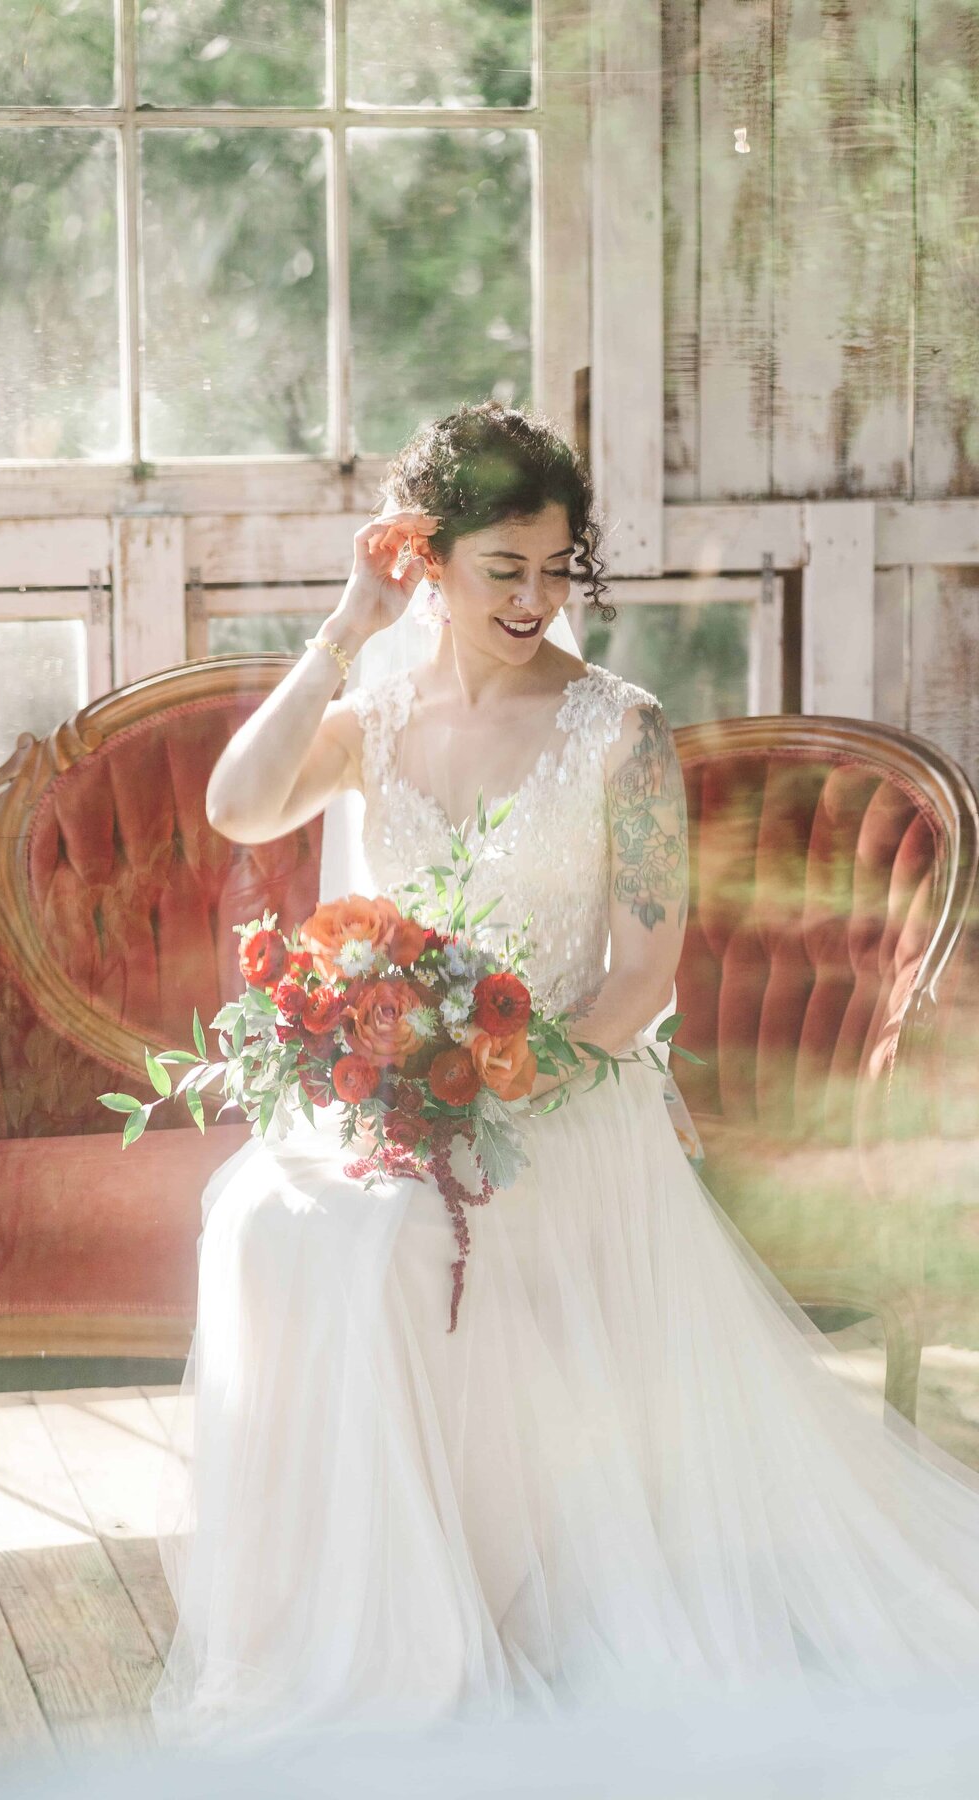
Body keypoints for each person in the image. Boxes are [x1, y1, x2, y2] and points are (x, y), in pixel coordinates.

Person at [151, 401, 979, 1756]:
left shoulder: (621, 731)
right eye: (503, 570)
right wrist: (346, 625)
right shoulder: (376, 710)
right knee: (257, 1213)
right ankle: (326, 1623)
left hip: (563, 1096)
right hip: (398, 1096)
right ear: (430, 561)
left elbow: (644, 974)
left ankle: (459, 1620)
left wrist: (500, 1083)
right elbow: (241, 805)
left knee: (389, 1248)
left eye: (556, 567)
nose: (537, 598)